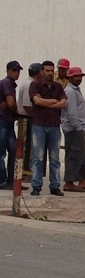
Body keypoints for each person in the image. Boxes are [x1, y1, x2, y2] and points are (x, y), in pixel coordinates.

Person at [30, 60, 67, 196]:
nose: (50, 73)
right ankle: (36, 186)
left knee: (55, 159)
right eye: (47, 70)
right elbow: (37, 101)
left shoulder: (58, 87)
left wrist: (45, 103)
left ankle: (55, 186)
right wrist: (53, 101)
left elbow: (63, 104)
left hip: (54, 126)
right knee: (38, 158)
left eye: (52, 71)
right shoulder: (35, 85)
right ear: (42, 71)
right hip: (39, 125)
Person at [61, 67, 85, 193]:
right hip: (74, 129)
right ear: (70, 77)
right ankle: (69, 182)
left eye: (80, 76)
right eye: (76, 76)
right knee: (73, 155)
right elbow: (72, 114)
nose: (79, 78)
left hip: (79, 129)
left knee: (81, 155)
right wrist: (78, 128)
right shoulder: (70, 91)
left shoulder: (75, 90)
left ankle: (82, 180)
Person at [0, 61, 23, 190]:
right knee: (2, 153)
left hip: (7, 121)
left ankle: (11, 181)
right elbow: (10, 103)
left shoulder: (9, 84)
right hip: (3, 121)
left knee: (14, 150)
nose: (16, 73)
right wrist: (16, 111)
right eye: (14, 70)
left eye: (18, 71)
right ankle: (3, 180)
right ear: (8, 71)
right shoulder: (7, 83)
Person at [17, 63, 42, 181]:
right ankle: (25, 172)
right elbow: (27, 106)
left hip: (28, 119)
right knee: (27, 147)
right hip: (27, 119)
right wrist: (39, 116)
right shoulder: (29, 85)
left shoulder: (29, 83)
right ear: (38, 73)